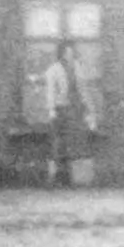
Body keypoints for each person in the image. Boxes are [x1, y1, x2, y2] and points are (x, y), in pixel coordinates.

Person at [42, 42, 91, 185]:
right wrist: (51, 110)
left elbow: (83, 89)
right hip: (61, 109)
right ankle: (55, 177)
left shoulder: (78, 67)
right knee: (58, 142)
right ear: (62, 54)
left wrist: (87, 108)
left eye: (71, 53)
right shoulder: (53, 70)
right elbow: (50, 92)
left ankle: (74, 178)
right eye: (66, 53)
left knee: (74, 142)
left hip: (75, 109)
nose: (69, 55)